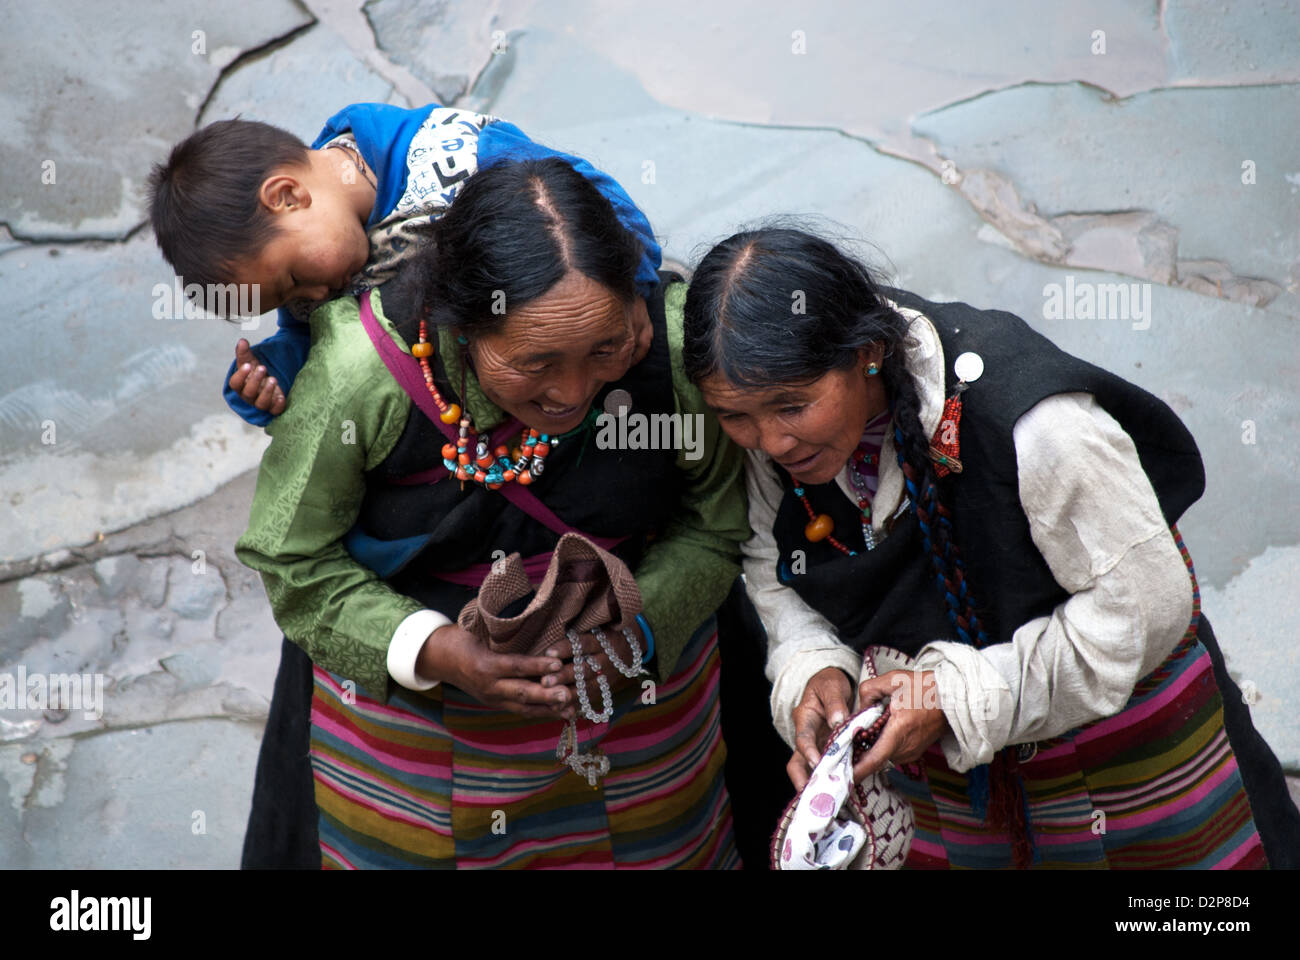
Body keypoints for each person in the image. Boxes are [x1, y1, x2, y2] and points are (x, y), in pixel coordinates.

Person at [681, 226, 1300, 868]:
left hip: (1125, 761)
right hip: (958, 794)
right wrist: (813, 667)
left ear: (866, 353)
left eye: (792, 406)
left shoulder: (1036, 427)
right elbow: (771, 565)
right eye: (736, 416)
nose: (771, 442)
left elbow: (1146, 608)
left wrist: (957, 697)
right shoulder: (775, 438)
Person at [234, 156, 750, 868]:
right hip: (421, 735)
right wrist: (443, 653)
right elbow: (292, 558)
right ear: (461, 325)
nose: (571, 392)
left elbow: (716, 526)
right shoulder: (361, 378)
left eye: (604, 350)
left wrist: (634, 628)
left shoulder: (668, 346)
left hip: (644, 716)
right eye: (535, 362)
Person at [145, 102, 658, 423]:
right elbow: (315, 344)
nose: (314, 298)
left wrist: (629, 286)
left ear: (287, 196)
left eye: (297, 280)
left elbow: (589, 200)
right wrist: (273, 375)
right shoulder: (315, 284)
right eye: (291, 300)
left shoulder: (453, 155)